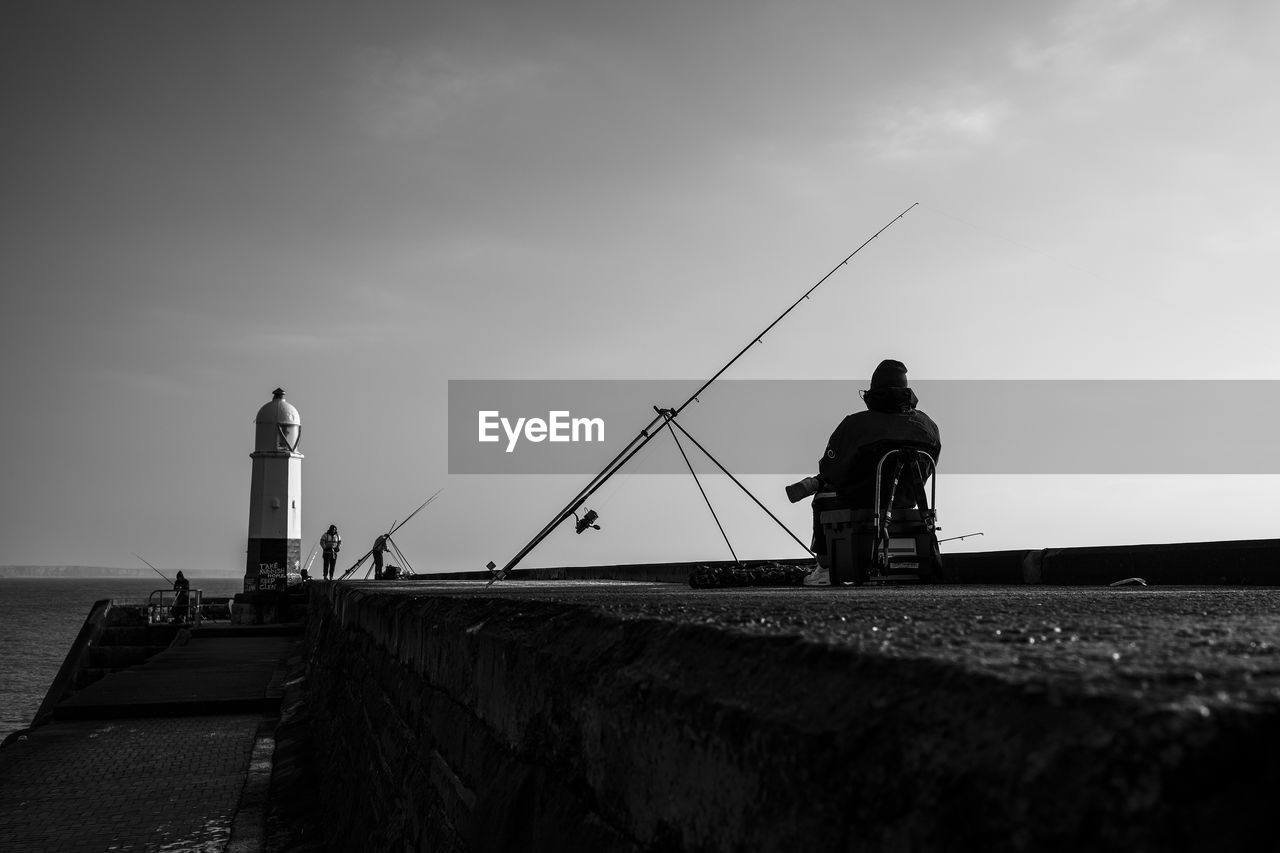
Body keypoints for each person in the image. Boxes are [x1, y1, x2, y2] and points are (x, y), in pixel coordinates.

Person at [807, 359, 941, 586]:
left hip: (860, 502)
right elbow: (929, 467)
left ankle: (826, 567)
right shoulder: (928, 426)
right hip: (905, 503)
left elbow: (830, 471)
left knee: (822, 496)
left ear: (872, 392)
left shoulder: (854, 425)